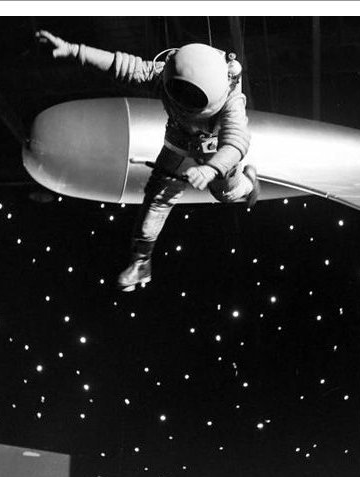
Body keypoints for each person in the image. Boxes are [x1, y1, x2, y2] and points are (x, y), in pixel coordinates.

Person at [37, 30, 259, 292]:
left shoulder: (231, 98)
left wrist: (211, 169)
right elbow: (124, 66)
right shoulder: (169, 73)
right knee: (156, 198)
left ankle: (248, 184)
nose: (184, 100)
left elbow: (235, 142)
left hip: (214, 151)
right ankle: (141, 262)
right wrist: (75, 49)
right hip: (178, 141)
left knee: (225, 193)